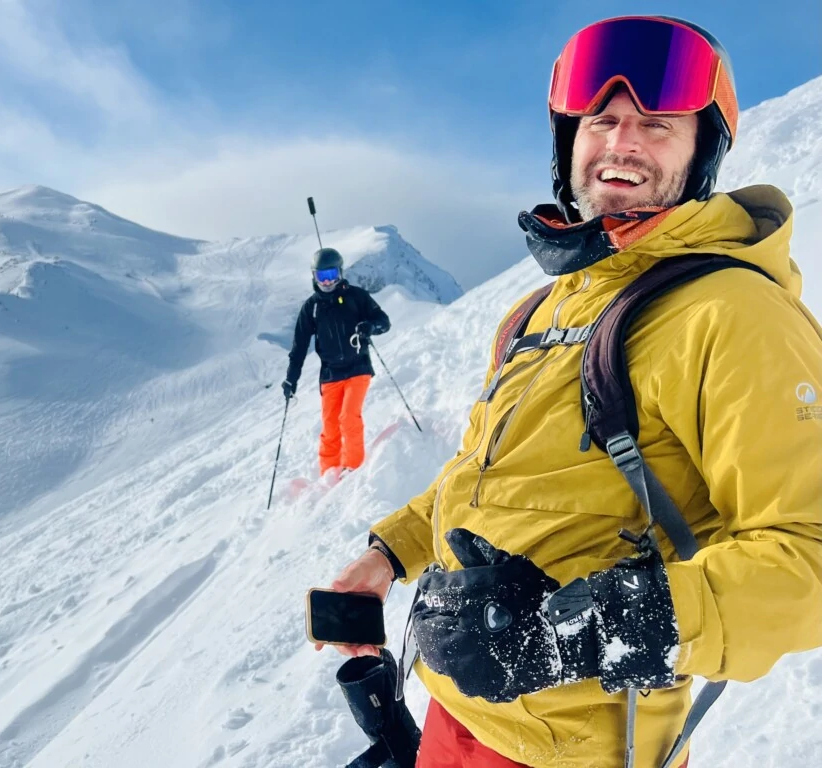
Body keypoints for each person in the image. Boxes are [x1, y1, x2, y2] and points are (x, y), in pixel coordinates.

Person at [319, 15, 822, 768]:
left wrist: (586, 630)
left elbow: (806, 556)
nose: (621, 143)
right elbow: (483, 479)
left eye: (656, 125)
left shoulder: (733, 315)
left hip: (581, 750)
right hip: (457, 713)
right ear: (569, 143)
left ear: (701, 151)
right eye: (602, 121)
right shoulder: (539, 311)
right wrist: (391, 554)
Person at [283, 247, 391, 476]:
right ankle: (329, 475)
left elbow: (383, 321)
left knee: (349, 417)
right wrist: (291, 379)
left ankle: (353, 469)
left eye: (332, 274)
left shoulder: (356, 296)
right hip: (330, 374)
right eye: (322, 276)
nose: (327, 281)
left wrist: (370, 327)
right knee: (330, 427)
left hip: (358, 367)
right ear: (313, 276)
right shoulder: (311, 308)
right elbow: (299, 347)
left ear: (341, 273)